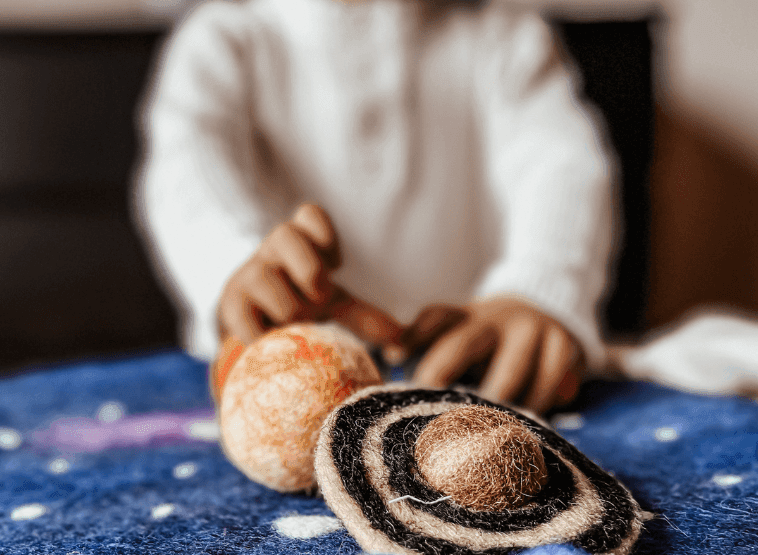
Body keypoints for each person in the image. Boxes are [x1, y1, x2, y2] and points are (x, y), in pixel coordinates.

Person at [135, 0, 616, 412]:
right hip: (282, 386)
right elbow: (186, 168)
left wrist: (537, 287)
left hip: (476, 381)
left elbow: (561, 166)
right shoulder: (222, 40)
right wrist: (235, 262)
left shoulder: (505, 36)